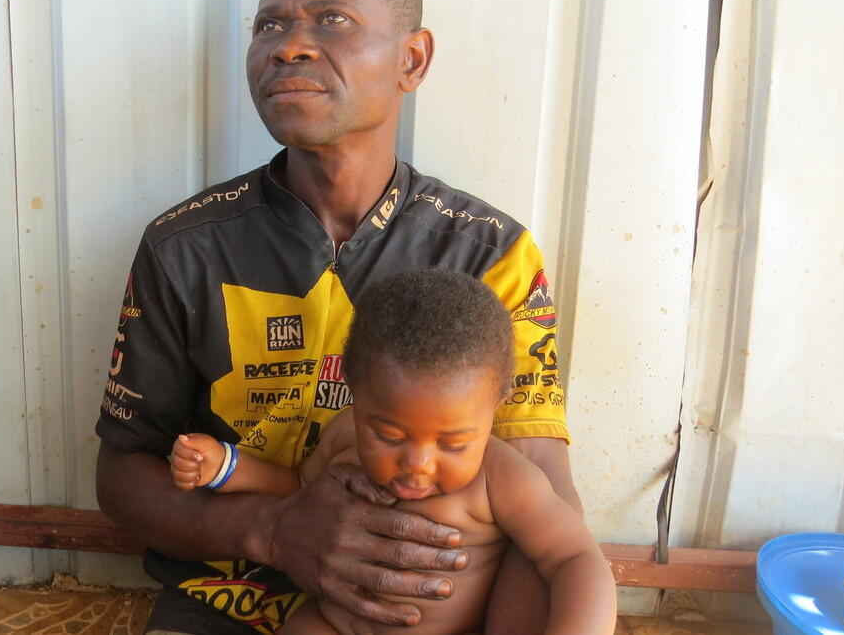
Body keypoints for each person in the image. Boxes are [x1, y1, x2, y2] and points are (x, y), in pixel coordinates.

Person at [95, 0, 584, 632]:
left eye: (331, 20)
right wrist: (272, 531)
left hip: (428, 610)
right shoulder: (185, 247)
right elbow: (123, 473)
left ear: (412, 59)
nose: (287, 45)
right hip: (226, 594)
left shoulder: (488, 255)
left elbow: (545, 505)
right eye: (269, 24)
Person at [169, 269, 616, 635]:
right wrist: (227, 466)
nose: (417, 464)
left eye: (453, 444)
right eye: (389, 436)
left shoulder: (503, 479)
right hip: (335, 625)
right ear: (355, 396)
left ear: (495, 407)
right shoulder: (345, 437)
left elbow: (574, 558)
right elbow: (298, 488)